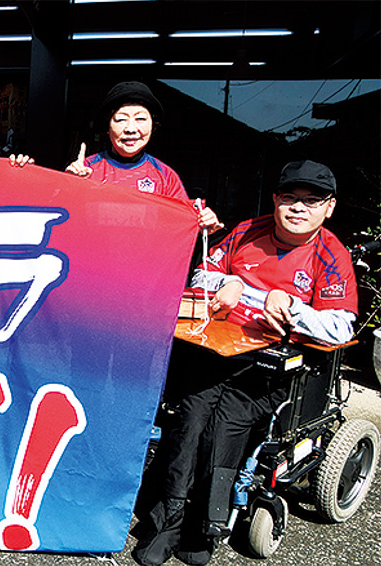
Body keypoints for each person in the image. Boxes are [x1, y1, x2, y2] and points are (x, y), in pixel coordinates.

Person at [132, 160, 358, 566]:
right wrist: (227, 282)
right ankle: (168, 517)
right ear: (275, 200)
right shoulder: (244, 232)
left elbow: (341, 328)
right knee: (189, 416)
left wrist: (293, 307)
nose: (298, 208)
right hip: (217, 347)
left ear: (329, 208)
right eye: (289, 198)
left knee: (225, 425)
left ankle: (206, 525)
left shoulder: (331, 255)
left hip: (271, 364)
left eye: (311, 201)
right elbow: (201, 275)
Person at [65, 81, 220, 230]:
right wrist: (68, 186)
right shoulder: (85, 170)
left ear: (153, 125)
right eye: (121, 119)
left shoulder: (165, 176)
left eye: (140, 119)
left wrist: (204, 222)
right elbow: (60, 217)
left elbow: (183, 222)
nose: (131, 129)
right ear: (107, 126)